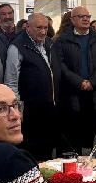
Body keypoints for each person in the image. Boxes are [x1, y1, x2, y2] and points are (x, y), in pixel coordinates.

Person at [54, 6, 96, 155]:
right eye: (81, 16)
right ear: (72, 20)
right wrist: (79, 82)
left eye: (87, 16)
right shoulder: (62, 40)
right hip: (73, 94)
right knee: (73, 137)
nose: (85, 19)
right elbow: (60, 65)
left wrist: (92, 82)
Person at [5, 13, 61, 160]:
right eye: (39, 28)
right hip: (30, 109)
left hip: (50, 106)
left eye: (45, 28)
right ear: (28, 27)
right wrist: (17, 108)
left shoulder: (49, 44)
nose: (43, 32)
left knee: (48, 147)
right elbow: (11, 81)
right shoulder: (17, 47)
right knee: (31, 150)